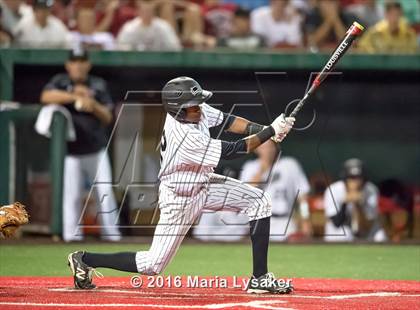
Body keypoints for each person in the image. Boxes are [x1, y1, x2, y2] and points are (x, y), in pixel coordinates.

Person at [67, 76, 295, 294]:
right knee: (153, 265)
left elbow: (229, 121)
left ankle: (259, 278)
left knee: (259, 201)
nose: (199, 108)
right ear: (178, 109)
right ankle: (85, 259)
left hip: (204, 184)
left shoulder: (194, 111)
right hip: (180, 197)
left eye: (198, 103)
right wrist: (271, 132)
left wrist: (267, 130)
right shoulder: (185, 137)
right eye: (193, 105)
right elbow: (235, 150)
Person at [40, 49, 121, 242]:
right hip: (71, 151)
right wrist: (75, 96)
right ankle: (71, 237)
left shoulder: (97, 84)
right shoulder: (60, 81)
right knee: (72, 196)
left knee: (105, 192)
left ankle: (112, 236)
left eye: (81, 61)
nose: (78, 65)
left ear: (88, 64)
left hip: (96, 149)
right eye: (74, 61)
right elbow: (45, 97)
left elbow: (108, 116)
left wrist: (92, 103)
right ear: (68, 65)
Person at [194, 140, 311, 242]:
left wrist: (305, 219)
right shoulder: (251, 167)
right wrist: (262, 170)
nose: (268, 150)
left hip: (283, 222)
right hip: (255, 222)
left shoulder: (289, 165)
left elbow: (303, 197)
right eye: (264, 147)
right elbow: (243, 195)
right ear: (257, 149)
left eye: (271, 146)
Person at [324, 158, 386, 242]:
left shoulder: (371, 190)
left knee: (380, 236)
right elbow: (337, 222)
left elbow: (368, 224)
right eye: (351, 177)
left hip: (365, 229)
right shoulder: (333, 190)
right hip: (340, 228)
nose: (355, 181)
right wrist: (345, 203)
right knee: (344, 233)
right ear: (345, 178)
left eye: (359, 177)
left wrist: (359, 204)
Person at [116, 0, 181, 51]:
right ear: (138, 11)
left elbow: (175, 47)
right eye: (144, 11)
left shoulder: (163, 27)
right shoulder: (130, 28)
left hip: (159, 64)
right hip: (135, 64)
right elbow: (121, 47)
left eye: (149, 11)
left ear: (154, 12)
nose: (146, 14)